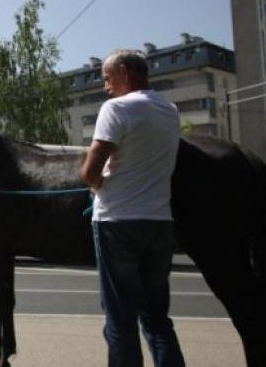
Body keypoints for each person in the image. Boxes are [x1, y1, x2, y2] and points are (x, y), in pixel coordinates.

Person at [79, 49, 185, 367]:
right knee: (156, 317)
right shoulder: (170, 109)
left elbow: (89, 171)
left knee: (120, 319)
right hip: (159, 223)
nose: (105, 86)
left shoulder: (117, 108)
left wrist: (98, 187)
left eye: (107, 78)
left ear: (124, 72)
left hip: (117, 222)